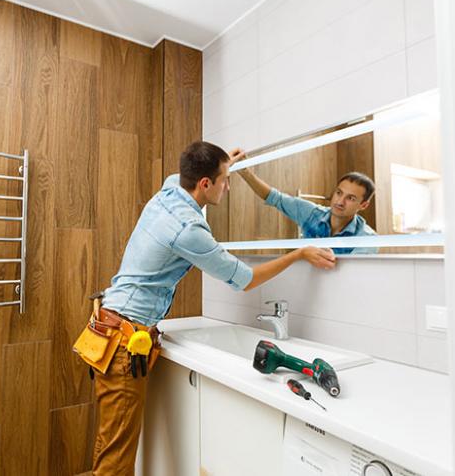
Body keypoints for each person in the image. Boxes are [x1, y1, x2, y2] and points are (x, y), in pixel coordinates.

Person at [75, 141, 336, 476]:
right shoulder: (189, 229)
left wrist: (224, 162)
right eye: (225, 179)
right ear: (205, 184)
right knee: (115, 461)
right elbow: (245, 280)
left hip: (113, 326)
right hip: (124, 342)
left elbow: (188, 173)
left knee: (112, 442)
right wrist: (299, 254)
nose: (228, 186)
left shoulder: (170, 190)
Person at [237, 167, 378, 255]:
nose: (340, 202)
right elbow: (275, 198)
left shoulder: (367, 239)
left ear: (363, 205)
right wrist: (245, 172)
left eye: (351, 198)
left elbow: (352, 278)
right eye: (339, 193)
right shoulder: (311, 214)